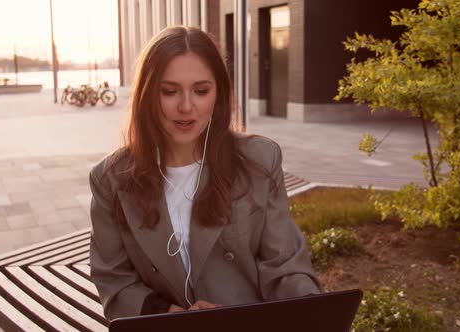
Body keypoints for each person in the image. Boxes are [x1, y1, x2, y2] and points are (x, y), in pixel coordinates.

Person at [89, 26, 322, 321]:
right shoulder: (111, 179)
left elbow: (285, 265)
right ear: (147, 95)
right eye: (169, 91)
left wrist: (314, 311)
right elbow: (114, 279)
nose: (186, 107)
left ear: (218, 94)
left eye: (201, 91)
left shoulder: (260, 161)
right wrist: (172, 315)